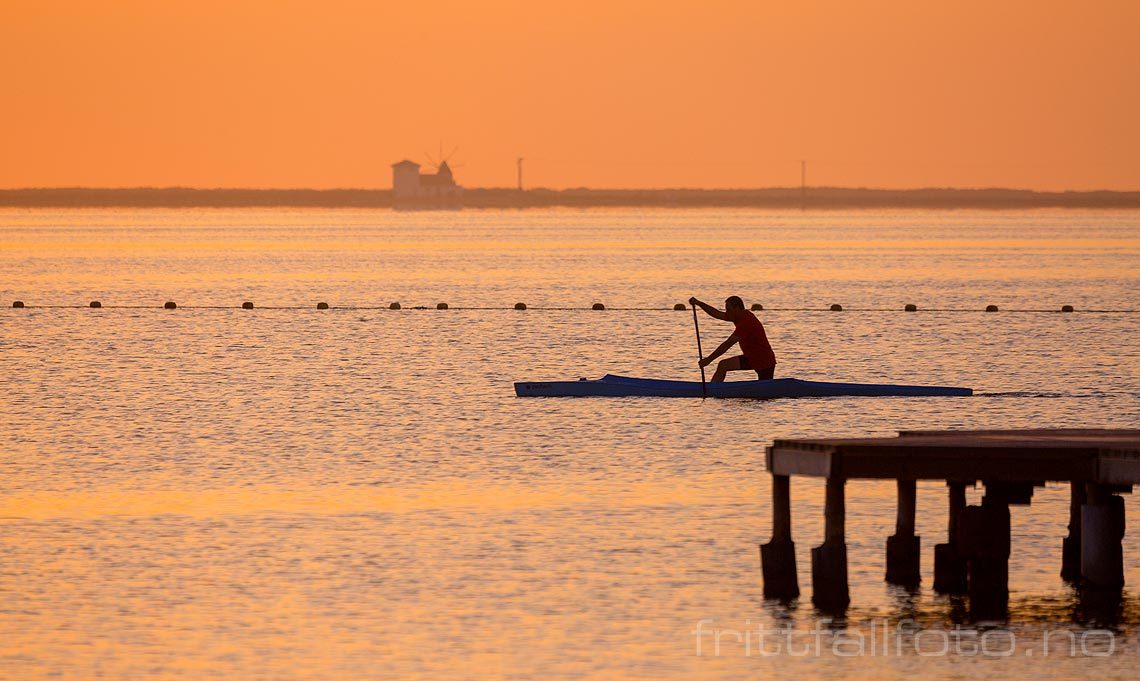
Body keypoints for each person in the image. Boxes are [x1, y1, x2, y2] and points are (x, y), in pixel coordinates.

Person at [688, 296, 776, 381]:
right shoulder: (738, 316)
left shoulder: (746, 322)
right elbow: (717, 314)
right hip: (751, 357)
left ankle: (713, 391)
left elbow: (727, 344)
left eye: (729, 310)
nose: (727, 312)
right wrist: (699, 303)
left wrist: (708, 360)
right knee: (723, 365)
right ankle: (713, 390)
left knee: (765, 393)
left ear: (737, 308)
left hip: (764, 360)